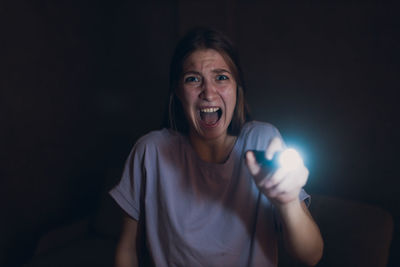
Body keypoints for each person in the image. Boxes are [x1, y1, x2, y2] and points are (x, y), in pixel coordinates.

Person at [110, 27, 323, 267]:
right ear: (178, 92)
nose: (208, 93)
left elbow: (310, 255)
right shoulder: (150, 151)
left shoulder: (263, 142)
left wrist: (288, 201)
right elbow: (127, 249)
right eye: (193, 79)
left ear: (236, 89)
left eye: (221, 77)